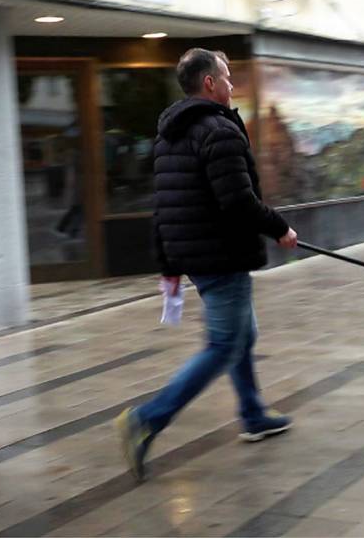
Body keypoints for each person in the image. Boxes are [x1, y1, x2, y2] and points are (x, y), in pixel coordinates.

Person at [116, 48, 298, 482]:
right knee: (223, 345)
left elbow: (164, 206)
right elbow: (238, 201)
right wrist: (280, 228)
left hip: (196, 255)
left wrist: (169, 263)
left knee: (241, 335)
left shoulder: (169, 135)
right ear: (210, 83)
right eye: (228, 77)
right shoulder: (219, 131)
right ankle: (146, 418)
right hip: (222, 253)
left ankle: (253, 414)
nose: (233, 84)